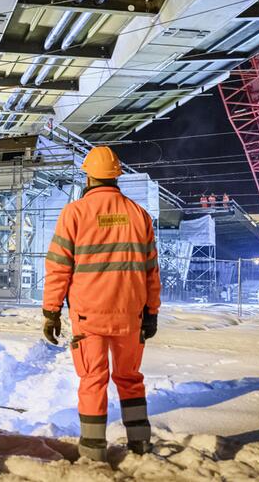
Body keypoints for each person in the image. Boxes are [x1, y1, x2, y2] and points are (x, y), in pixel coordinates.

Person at [42, 146, 161, 462]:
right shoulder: (139, 215)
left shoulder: (75, 213)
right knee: (130, 379)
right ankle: (140, 445)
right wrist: (152, 312)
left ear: (89, 175)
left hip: (88, 315)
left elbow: (58, 267)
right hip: (131, 315)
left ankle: (93, 453)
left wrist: (51, 311)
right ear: (116, 176)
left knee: (93, 379)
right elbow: (151, 271)